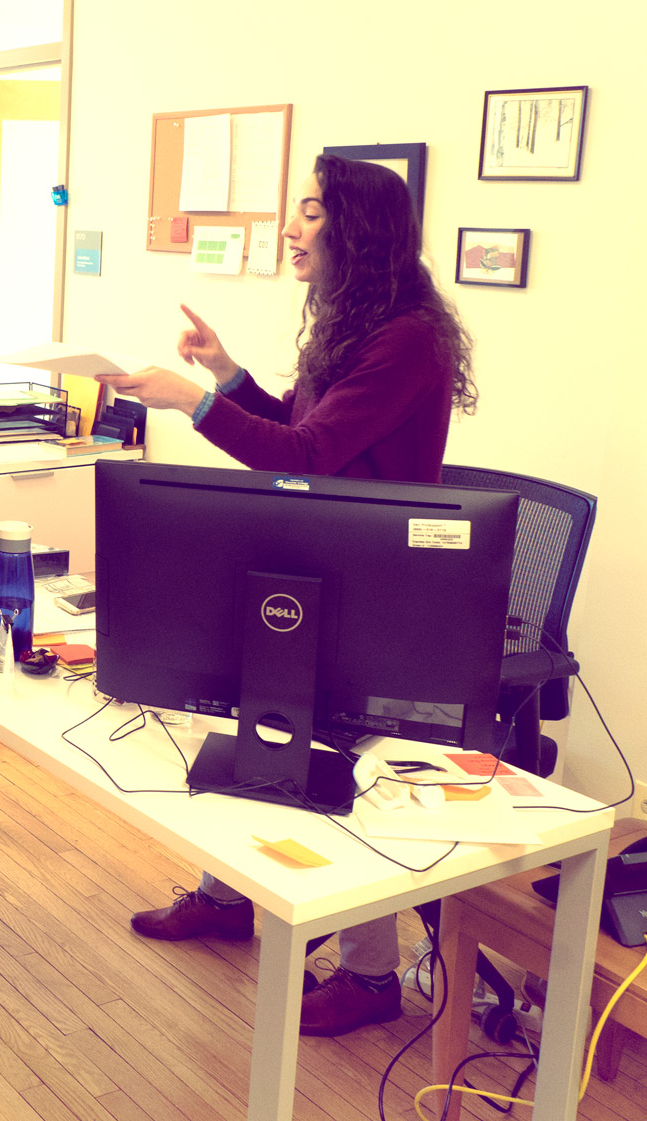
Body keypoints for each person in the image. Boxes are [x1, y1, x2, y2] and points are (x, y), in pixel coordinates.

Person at [99, 152, 477, 1037]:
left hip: (375, 584)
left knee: (332, 763)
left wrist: (192, 403)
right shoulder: (356, 322)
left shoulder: (407, 339)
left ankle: (372, 977)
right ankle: (226, 897)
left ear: (356, 230)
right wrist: (227, 376)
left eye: (309, 211)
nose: (290, 227)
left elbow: (305, 457)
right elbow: (302, 427)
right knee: (251, 716)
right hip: (320, 562)